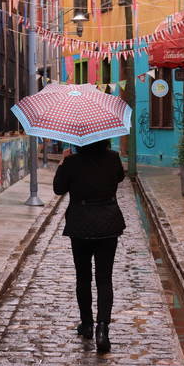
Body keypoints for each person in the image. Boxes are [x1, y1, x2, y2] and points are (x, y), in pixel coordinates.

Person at [53, 139, 126, 354]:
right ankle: (102, 328)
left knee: (83, 277)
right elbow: (119, 177)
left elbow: (58, 189)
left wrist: (62, 164)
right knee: (104, 278)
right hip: (108, 223)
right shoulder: (112, 158)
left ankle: (87, 325)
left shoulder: (72, 162)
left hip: (81, 225)